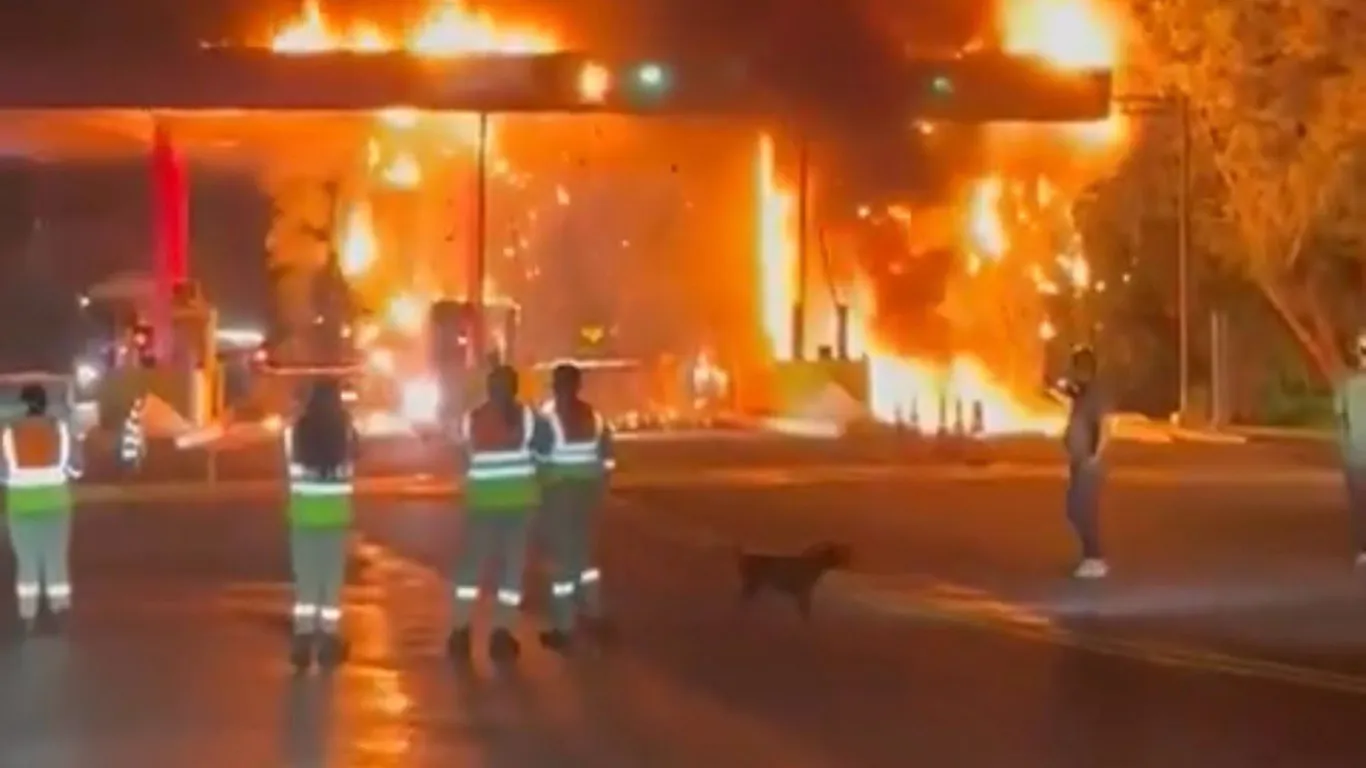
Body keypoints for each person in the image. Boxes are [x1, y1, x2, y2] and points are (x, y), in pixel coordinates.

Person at [447, 365, 552, 663]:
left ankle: (460, 630)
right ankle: (502, 633)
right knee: (511, 570)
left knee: (471, 569)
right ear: (515, 388)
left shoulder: (473, 419)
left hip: (482, 504)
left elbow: (462, 456)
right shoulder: (529, 419)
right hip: (518, 504)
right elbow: (545, 452)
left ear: (488, 389)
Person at [537, 362, 615, 650]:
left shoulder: (549, 419)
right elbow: (607, 456)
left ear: (556, 386)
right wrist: (601, 485)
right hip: (587, 494)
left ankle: (564, 627)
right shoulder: (593, 416)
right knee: (584, 558)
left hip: (560, 495)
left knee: (562, 563)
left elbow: (539, 460)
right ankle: (593, 613)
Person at [282, 378, 357, 671]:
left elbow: (288, 458)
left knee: (306, 578)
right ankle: (328, 639)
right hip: (335, 512)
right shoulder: (346, 432)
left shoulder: (295, 431)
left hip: (303, 512)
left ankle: (302, 639)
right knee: (331, 579)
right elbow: (355, 458)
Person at [1, 382, 81, 633]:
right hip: (56, 504)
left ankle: (28, 613)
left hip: (21, 506)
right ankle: (59, 608)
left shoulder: (8, 434)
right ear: (46, 404)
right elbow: (76, 468)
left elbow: (2, 473)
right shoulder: (61, 430)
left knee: (27, 560)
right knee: (56, 557)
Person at [1062, 345, 1108, 579]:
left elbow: (1102, 427)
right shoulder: (1083, 392)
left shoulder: (1094, 396)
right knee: (1074, 509)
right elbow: (1071, 392)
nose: (1072, 372)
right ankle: (1089, 556)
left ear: (1084, 369)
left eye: (1075, 368)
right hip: (1079, 460)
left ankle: (1095, 558)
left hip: (1088, 463)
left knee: (1083, 511)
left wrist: (1094, 456)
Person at [1334, 332, 1366, 566]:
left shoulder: (1346, 386)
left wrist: (1345, 446)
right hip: (1355, 455)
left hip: (1355, 456)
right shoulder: (1347, 386)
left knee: (1360, 504)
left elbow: (1340, 421)